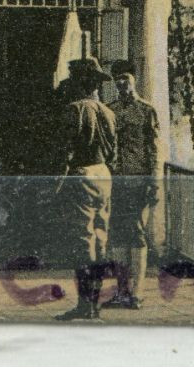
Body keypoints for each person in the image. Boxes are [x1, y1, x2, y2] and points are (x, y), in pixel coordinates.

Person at [54, 56, 117, 321]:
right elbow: (114, 151)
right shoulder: (108, 111)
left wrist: (57, 182)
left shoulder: (74, 110)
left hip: (81, 174)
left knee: (82, 240)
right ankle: (96, 302)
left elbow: (64, 150)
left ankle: (85, 304)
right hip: (104, 174)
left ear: (79, 83)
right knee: (101, 237)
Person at [105, 60, 163, 309]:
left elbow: (155, 150)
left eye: (125, 79)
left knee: (136, 231)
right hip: (116, 181)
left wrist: (155, 182)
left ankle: (136, 293)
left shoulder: (146, 111)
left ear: (134, 80)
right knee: (117, 233)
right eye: (117, 79)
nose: (121, 84)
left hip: (139, 180)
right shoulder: (109, 110)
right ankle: (121, 291)